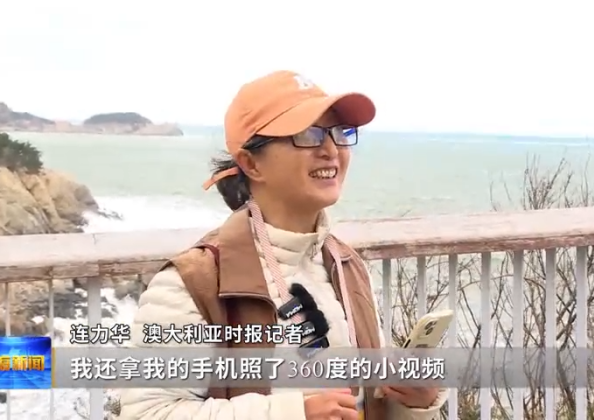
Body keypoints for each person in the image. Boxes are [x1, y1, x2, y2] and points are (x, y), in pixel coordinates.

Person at [118, 70, 448, 420]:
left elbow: (368, 406)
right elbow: (147, 412)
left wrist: (414, 401)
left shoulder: (346, 266)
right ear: (251, 163)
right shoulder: (195, 282)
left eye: (339, 133)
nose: (330, 150)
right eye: (307, 134)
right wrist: (295, 412)